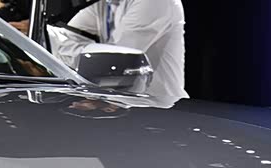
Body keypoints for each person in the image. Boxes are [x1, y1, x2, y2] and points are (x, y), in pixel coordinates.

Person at [48, 0, 188, 102]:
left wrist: (55, 44)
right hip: (119, 105)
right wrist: (41, 37)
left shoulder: (156, 2)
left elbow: (113, 61)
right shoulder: (104, 4)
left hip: (158, 110)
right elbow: (64, 40)